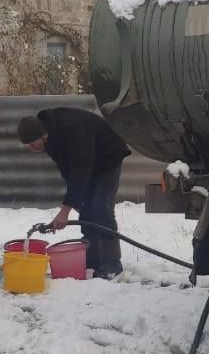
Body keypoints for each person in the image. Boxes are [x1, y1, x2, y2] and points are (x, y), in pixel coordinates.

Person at [17, 107, 131, 278]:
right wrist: (78, 201)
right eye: (28, 146)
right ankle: (93, 260)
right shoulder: (48, 139)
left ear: (44, 136)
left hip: (108, 157)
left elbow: (80, 169)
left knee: (101, 207)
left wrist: (65, 211)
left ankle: (111, 264)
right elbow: (66, 169)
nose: (32, 149)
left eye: (33, 144)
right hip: (88, 163)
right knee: (87, 210)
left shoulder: (73, 128)